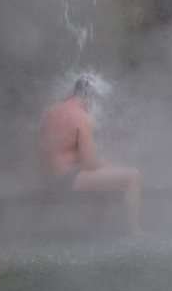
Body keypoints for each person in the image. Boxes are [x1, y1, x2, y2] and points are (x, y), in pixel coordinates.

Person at [39, 74, 143, 232]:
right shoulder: (81, 118)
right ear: (89, 96)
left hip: (48, 176)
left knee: (106, 171)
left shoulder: (52, 111)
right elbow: (89, 163)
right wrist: (108, 165)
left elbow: (49, 148)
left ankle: (98, 226)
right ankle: (136, 232)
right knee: (133, 176)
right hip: (66, 180)